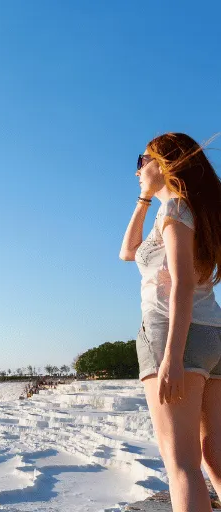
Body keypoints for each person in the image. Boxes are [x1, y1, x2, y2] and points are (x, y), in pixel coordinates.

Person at [120, 132, 221, 511]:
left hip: (174, 334)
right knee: (214, 460)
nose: (137, 171)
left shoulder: (177, 210)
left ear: (164, 163)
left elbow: (180, 285)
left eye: (141, 161)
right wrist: (145, 198)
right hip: (212, 335)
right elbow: (127, 252)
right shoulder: (185, 210)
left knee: (182, 465)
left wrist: (172, 359)